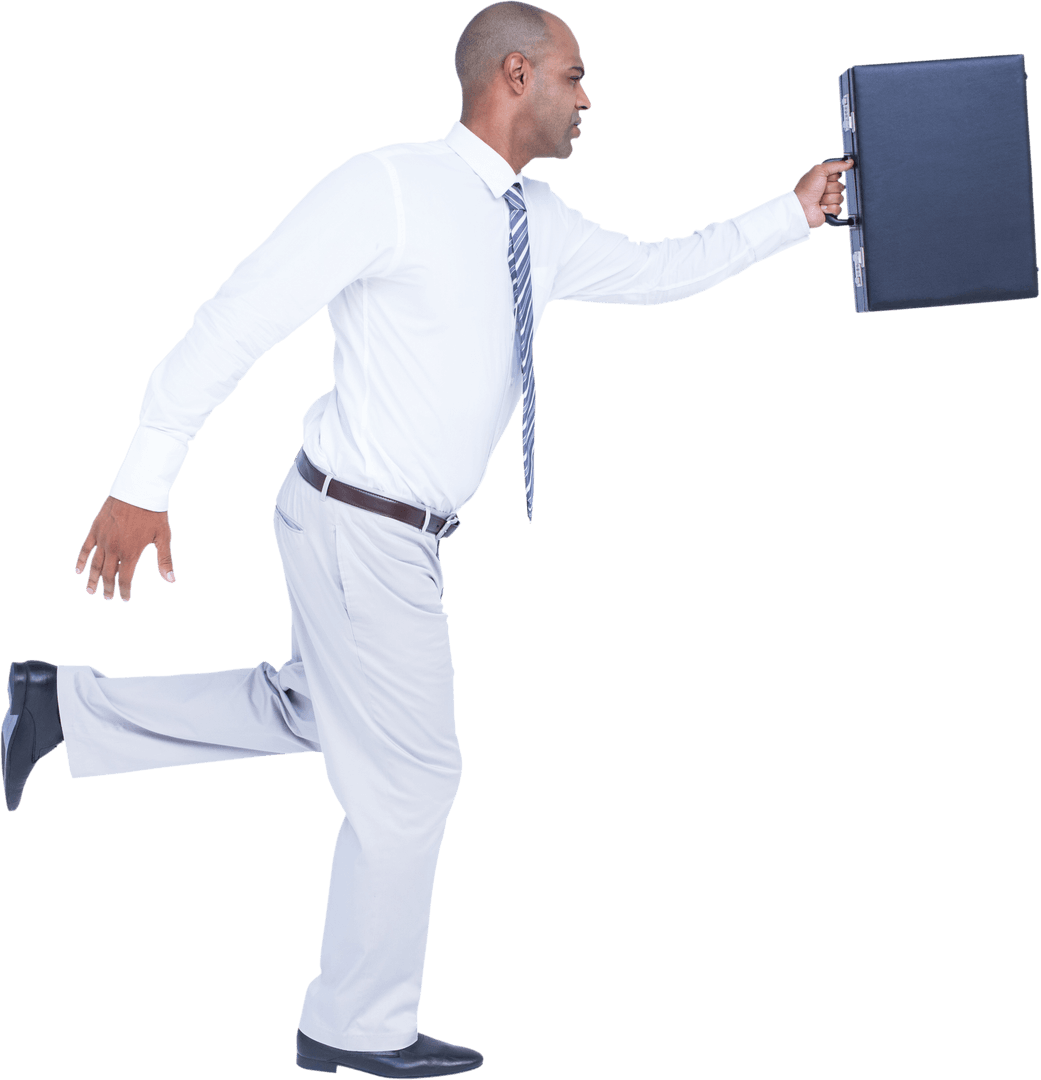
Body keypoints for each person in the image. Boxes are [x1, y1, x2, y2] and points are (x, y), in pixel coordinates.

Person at [1, 3, 852, 1077]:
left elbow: (659, 269)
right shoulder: (389, 186)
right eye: (576, 78)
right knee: (413, 779)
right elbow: (240, 314)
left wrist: (794, 214)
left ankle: (59, 708)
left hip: (390, 536)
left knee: (316, 709)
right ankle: (351, 1033)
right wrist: (144, 477)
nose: (589, 100)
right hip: (357, 521)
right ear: (514, 74)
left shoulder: (534, 222)